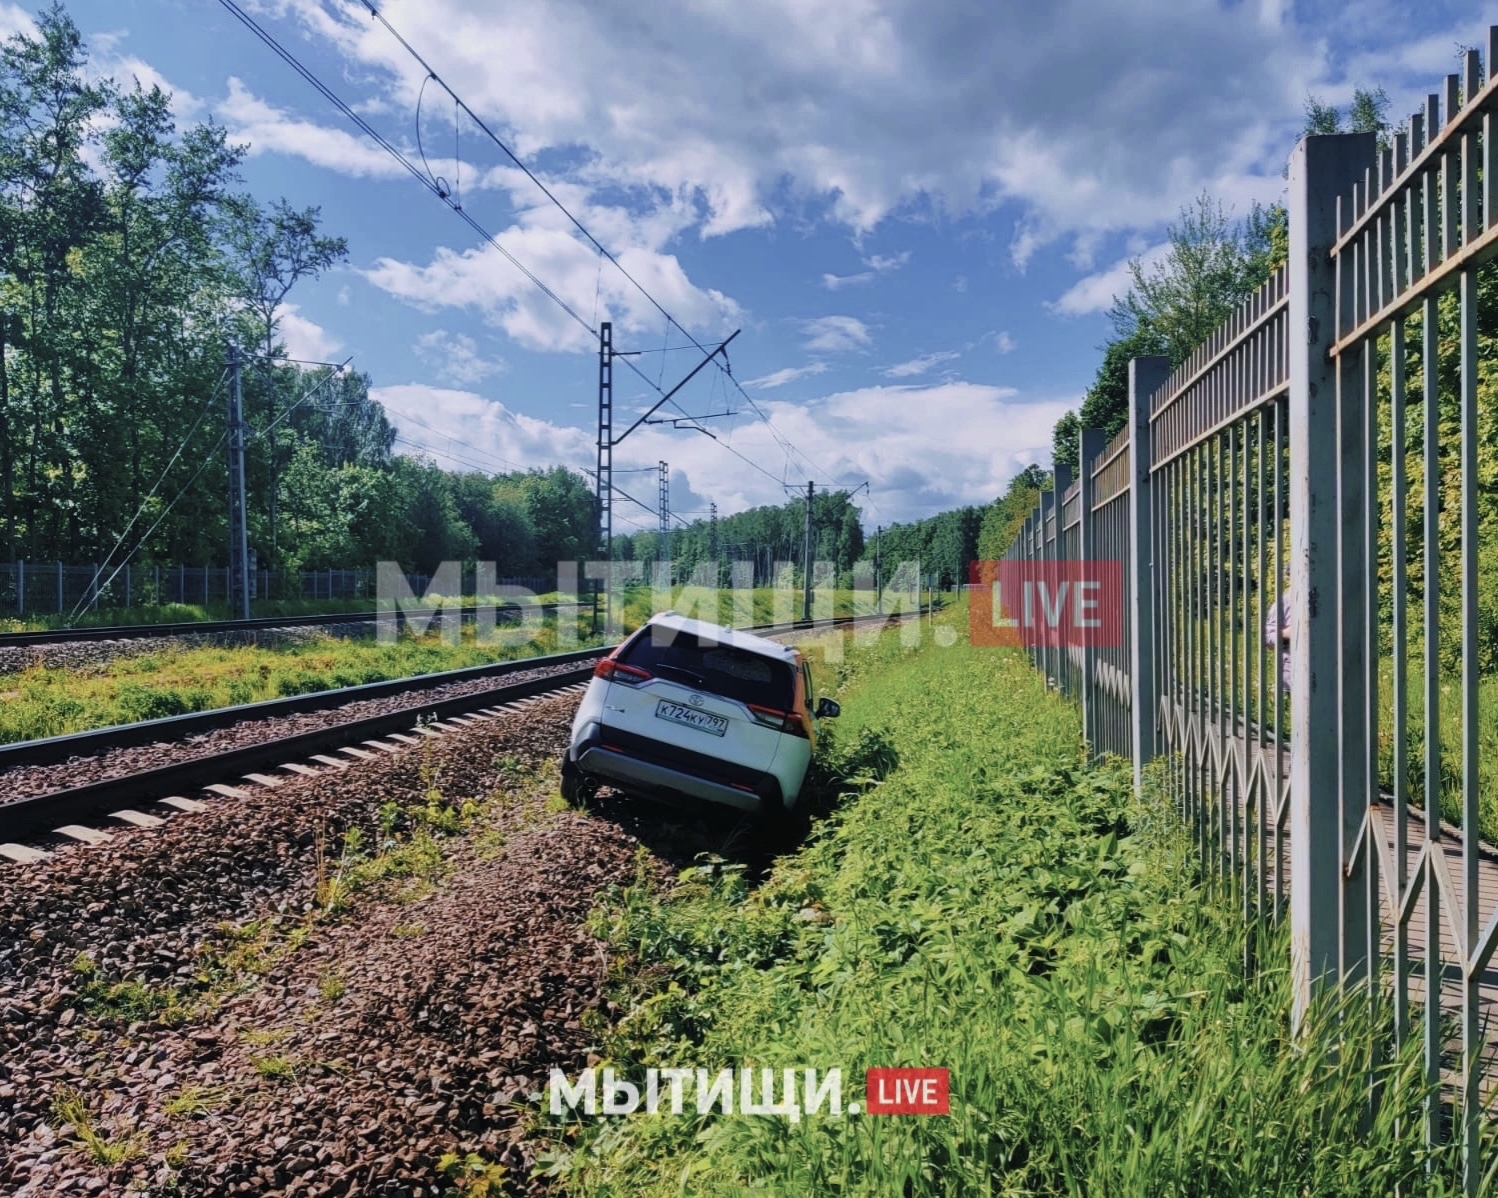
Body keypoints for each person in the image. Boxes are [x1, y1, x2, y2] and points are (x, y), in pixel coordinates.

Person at [1263, 585, 1291, 691]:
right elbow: (1267, 637)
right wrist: (1284, 633)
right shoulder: (1282, 604)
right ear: (1288, 577)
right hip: (1290, 675)